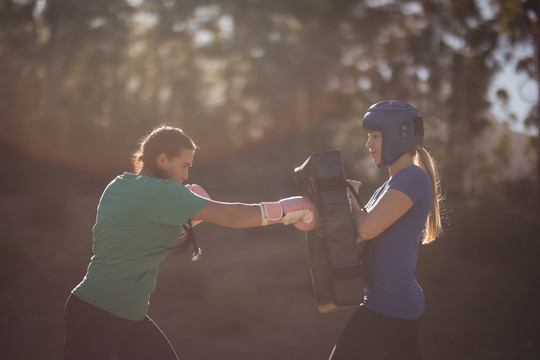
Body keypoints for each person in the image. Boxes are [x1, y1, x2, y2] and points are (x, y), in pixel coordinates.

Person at [62, 125, 316, 360]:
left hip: (120, 313)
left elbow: (140, 240)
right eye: (184, 165)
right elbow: (232, 216)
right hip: (101, 313)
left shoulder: (119, 185)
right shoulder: (164, 193)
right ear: (162, 160)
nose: (185, 176)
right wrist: (287, 209)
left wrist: (189, 217)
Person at [329, 100, 444, 360]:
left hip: (388, 304)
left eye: (374, 136)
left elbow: (367, 229)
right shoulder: (390, 185)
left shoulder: (413, 177)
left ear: (400, 134)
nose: (368, 144)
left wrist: (350, 199)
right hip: (393, 303)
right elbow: (359, 234)